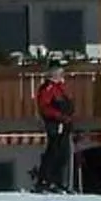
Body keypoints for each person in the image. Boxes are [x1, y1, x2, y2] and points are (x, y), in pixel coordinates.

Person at [33, 61, 77, 193]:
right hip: (55, 123)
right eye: (58, 71)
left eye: (61, 71)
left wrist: (68, 116)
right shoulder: (48, 88)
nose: (61, 74)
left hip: (64, 124)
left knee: (63, 152)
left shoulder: (60, 87)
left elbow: (66, 103)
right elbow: (44, 107)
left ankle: (58, 181)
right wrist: (59, 116)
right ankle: (46, 180)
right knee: (54, 151)